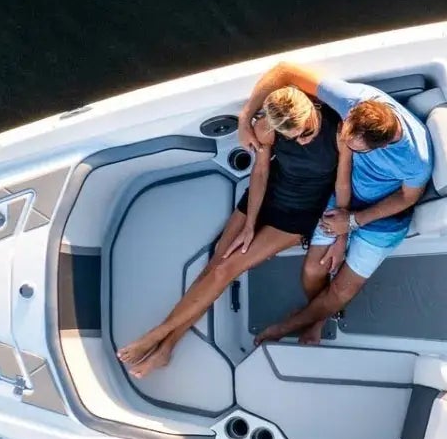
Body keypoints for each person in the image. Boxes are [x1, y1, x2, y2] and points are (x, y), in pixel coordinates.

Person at [115, 85, 343, 377]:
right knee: (212, 268)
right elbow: (260, 173)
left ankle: (157, 335)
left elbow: (342, 185)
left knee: (224, 271)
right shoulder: (267, 128)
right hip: (265, 198)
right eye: (291, 137)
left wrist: (341, 232)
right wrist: (249, 225)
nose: (299, 140)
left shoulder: (337, 133)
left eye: (303, 133)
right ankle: (165, 349)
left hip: (297, 217)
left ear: (312, 111)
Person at [250, 63, 432, 346]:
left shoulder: (415, 159)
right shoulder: (353, 101)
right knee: (313, 269)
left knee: (341, 290)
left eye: (353, 145)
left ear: (378, 147)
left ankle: (288, 326)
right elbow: (284, 70)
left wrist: (353, 222)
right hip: (343, 199)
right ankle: (317, 318)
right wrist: (245, 118)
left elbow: (408, 197)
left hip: (383, 220)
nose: (343, 144)